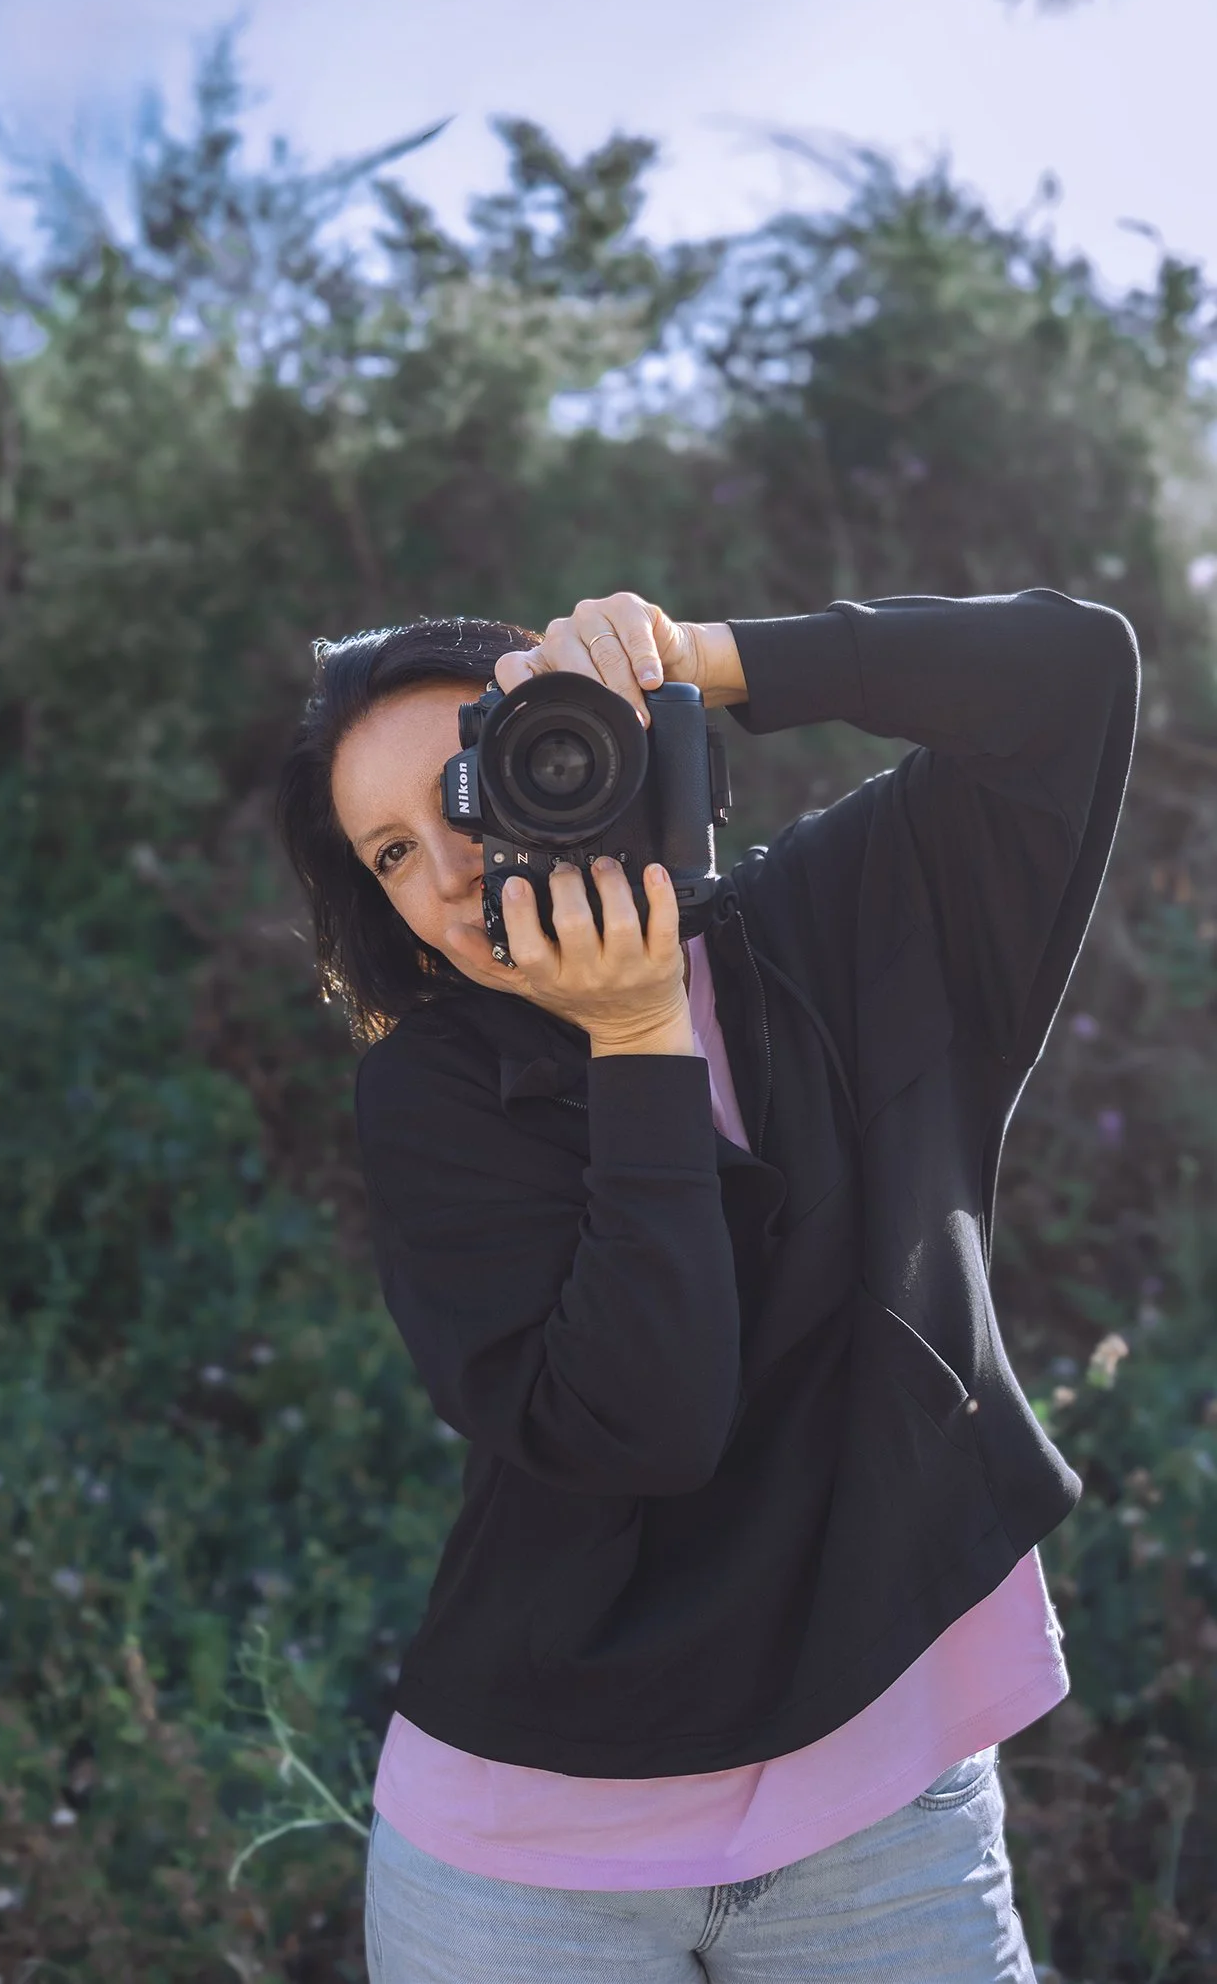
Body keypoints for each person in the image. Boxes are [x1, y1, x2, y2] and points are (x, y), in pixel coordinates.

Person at [275, 587, 1140, 1983]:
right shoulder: (434, 1094)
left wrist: (707, 661)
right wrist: (638, 1041)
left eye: (468, 786)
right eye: (388, 854)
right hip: (531, 1865)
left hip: (883, 1811)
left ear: (587, 743)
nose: (443, 872)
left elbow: (1074, 671)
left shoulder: (850, 920)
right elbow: (644, 1427)